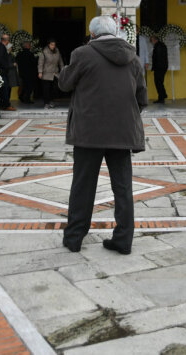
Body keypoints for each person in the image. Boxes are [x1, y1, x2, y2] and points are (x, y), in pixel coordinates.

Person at [59, 16, 147, 255]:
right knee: (123, 187)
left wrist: (66, 69)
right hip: (122, 132)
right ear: (115, 32)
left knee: (83, 186)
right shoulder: (133, 58)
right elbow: (142, 98)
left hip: (89, 132)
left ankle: (75, 237)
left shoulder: (82, 54)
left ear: (92, 34)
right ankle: (123, 240)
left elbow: (64, 84)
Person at [0, 32, 16, 111]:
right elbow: (0, 60)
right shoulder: (1, 47)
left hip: (0, 71)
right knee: (5, 88)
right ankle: (6, 105)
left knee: (2, 88)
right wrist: (8, 66)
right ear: (7, 41)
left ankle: (2, 104)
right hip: (1, 71)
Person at [37, 39, 64, 109]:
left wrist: (63, 69)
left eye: (54, 45)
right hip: (46, 73)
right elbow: (40, 63)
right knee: (46, 89)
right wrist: (40, 72)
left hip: (55, 73)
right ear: (48, 45)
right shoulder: (44, 52)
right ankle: (46, 103)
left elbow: (60, 61)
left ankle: (51, 100)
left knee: (54, 88)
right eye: (52, 44)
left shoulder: (57, 51)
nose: (53, 46)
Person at [148, 34, 168, 103]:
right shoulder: (161, 45)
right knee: (159, 82)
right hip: (162, 67)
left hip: (159, 67)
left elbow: (158, 58)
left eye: (151, 40)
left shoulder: (158, 46)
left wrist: (155, 67)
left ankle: (162, 96)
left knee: (158, 82)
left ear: (154, 40)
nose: (151, 42)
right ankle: (161, 97)